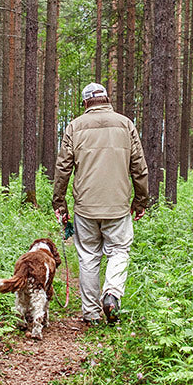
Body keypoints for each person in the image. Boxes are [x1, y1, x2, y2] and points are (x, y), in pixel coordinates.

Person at [52, 82, 149, 325]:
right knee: (119, 251)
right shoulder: (126, 124)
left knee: (88, 257)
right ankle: (112, 294)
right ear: (106, 99)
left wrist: (59, 203)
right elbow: (139, 167)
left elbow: (63, 168)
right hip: (117, 205)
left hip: (85, 206)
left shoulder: (74, 127)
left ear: (86, 103)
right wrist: (140, 201)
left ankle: (92, 314)